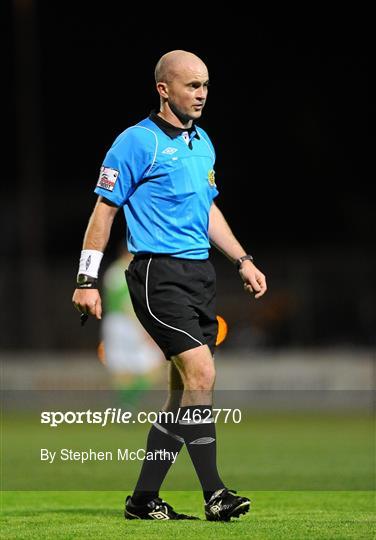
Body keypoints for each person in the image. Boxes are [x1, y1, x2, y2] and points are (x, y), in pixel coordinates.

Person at [72, 50, 267, 521]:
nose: (201, 94)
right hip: (158, 274)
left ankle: (143, 500)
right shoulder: (136, 142)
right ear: (164, 89)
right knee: (202, 375)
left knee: (182, 395)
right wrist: (86, 279)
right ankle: (215, 494)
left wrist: (241, 258)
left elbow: (207, 210)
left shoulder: (203, 142)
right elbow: (105, 209)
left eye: (205, 85)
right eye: (191, 85)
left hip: (200, 275)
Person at [99, 246, 163, 408]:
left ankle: (126, 406)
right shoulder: (129, 272)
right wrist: (144, 329)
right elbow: (128, 304)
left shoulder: (112, 272)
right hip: (129, 323)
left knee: (122, 368)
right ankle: (129, 401)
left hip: (113, 323)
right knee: (156, 364)